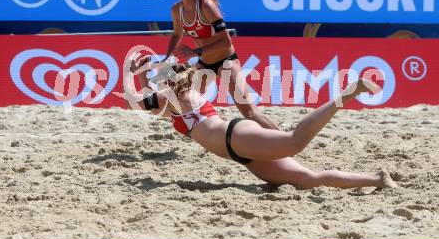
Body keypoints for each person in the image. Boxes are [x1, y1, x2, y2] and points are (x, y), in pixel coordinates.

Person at [126, 55, 398, 190]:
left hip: (236, 137)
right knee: (308, 181)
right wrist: (142, 76)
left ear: (168, 81)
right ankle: (378, 179)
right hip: (240, 152)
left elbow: (137, 102)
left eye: (160, 77)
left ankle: (348, 93)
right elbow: (150, 105)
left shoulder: (172, 96)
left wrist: (130, 71)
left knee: (294, 142)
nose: (158, 81)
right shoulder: (174, 99)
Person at [166, 0, 279, 131]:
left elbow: (226, 42)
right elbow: (177, 35)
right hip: (205, 63)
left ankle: (284, 141)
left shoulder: (206, 5)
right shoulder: (177, 10)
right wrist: (167, 58)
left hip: (226, 61)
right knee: (180, 99)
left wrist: (194, 52)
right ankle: (208, 134)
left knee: (249, 112)